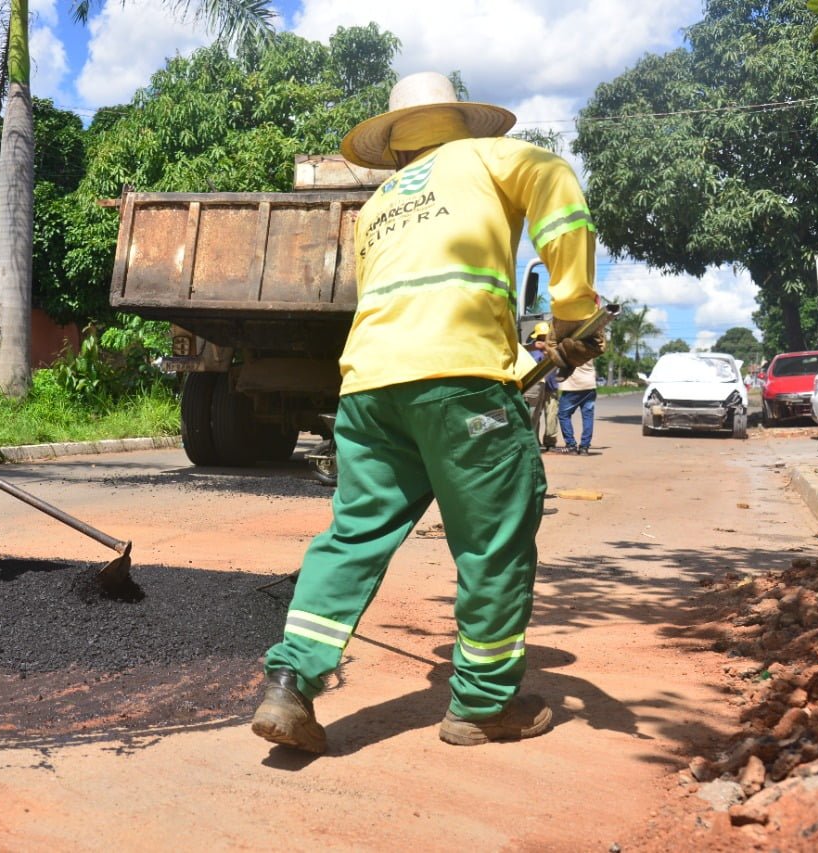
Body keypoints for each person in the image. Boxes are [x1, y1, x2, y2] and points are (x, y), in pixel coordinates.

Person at [250, 71, 603, 754]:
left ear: (397, 143)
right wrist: (575, 312)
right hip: (461, 381)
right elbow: (557, 182)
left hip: (370, 388)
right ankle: (482, 703)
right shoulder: (490, 158)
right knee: (494, 537)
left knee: (354, 536)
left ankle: (291, 680)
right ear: (459, 123)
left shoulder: (379, 203)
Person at [526, 321, 560, 451]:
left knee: (545, 414)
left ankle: (545, 441)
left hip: (547, 386)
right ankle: (544, 441)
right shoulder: (536, 351)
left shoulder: (550, 349)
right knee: (541, 414)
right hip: (540, 386)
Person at [557, 358, 598, 455]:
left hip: (573, 387)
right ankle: (584, 447)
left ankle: (571, 445)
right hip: (589, 385)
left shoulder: (569, 345)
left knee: (563, 414)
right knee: (588, 416)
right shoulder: (590, 347)